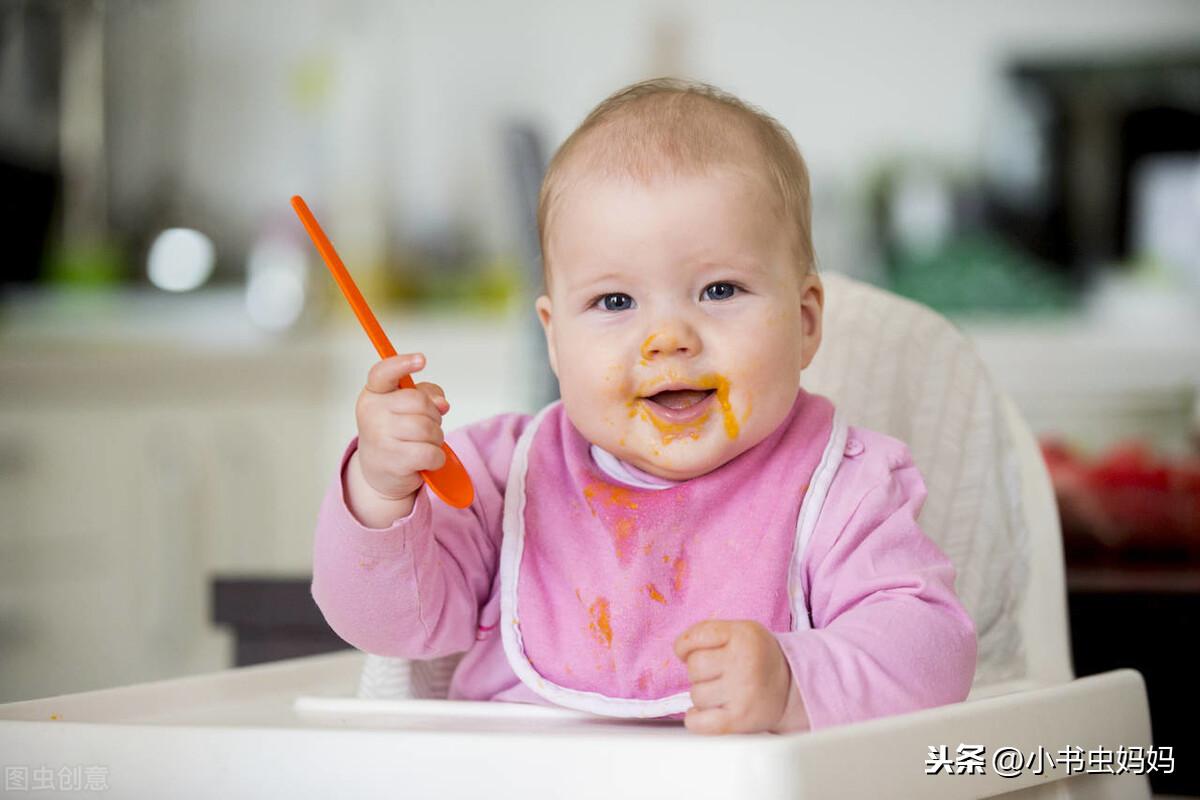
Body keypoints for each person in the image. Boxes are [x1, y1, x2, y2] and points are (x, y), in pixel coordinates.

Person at [312, 77, 977, 735]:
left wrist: (793, 679)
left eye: (719, 290)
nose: (668, 340)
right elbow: (394, 626)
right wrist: (379, 492)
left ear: (805, 321)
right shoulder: (501, 477)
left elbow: (933, 652)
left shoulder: (842, 489)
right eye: (615, 302)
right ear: (554, 337)